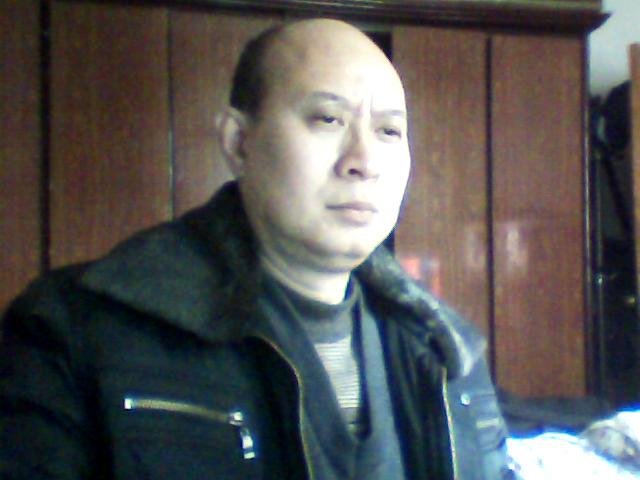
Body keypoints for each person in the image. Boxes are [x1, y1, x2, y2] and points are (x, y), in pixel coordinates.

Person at [0, 18, 513, 480]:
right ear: (238, 142)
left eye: (389, 130)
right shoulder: (76, 328)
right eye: (327, 119)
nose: (364, 161)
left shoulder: (448, 349)